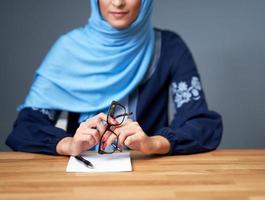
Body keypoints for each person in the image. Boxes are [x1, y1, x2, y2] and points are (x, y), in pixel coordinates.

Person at [6, 0, 222, 156]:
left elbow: (201, 124)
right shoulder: (69, 51)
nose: (118, 3)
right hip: (79, 178)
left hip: (151, 175)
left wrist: (154, 144)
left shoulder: (168, 47)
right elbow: (27, 126)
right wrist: (68, 144)